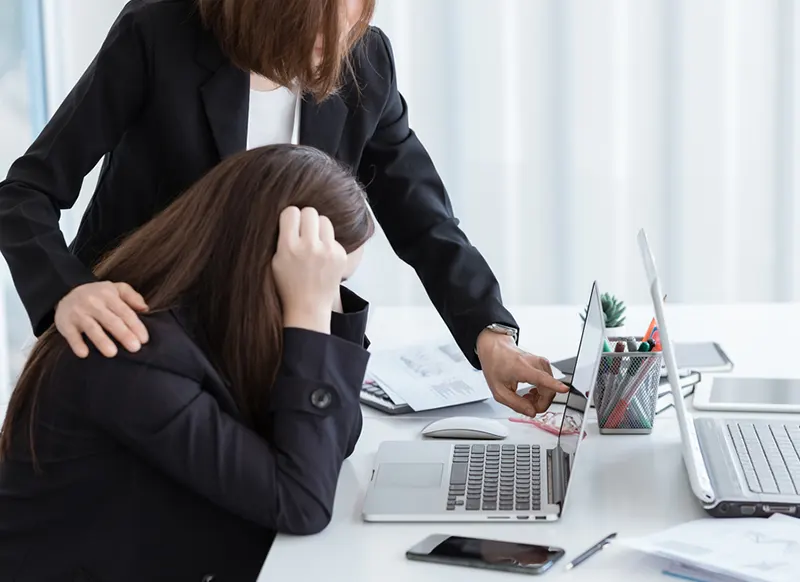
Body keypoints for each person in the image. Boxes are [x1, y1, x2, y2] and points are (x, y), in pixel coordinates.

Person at [0, 0, 567, 416]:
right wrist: (65, 292)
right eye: (318, 32)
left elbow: (423, 216)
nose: (336, 47)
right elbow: (24, 192)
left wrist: (490, 336)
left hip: (267, 348)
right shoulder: (158, 33)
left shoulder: (363, 56)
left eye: (350, 23)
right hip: (143, 340)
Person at [0, 144, 375, 580]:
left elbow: (335, 442)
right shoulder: (132, 351)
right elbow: (302, 501)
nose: (323, 296)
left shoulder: (211, 324)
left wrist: (323, 307)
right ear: (261, 268)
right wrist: (308, 314)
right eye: (323, 281)